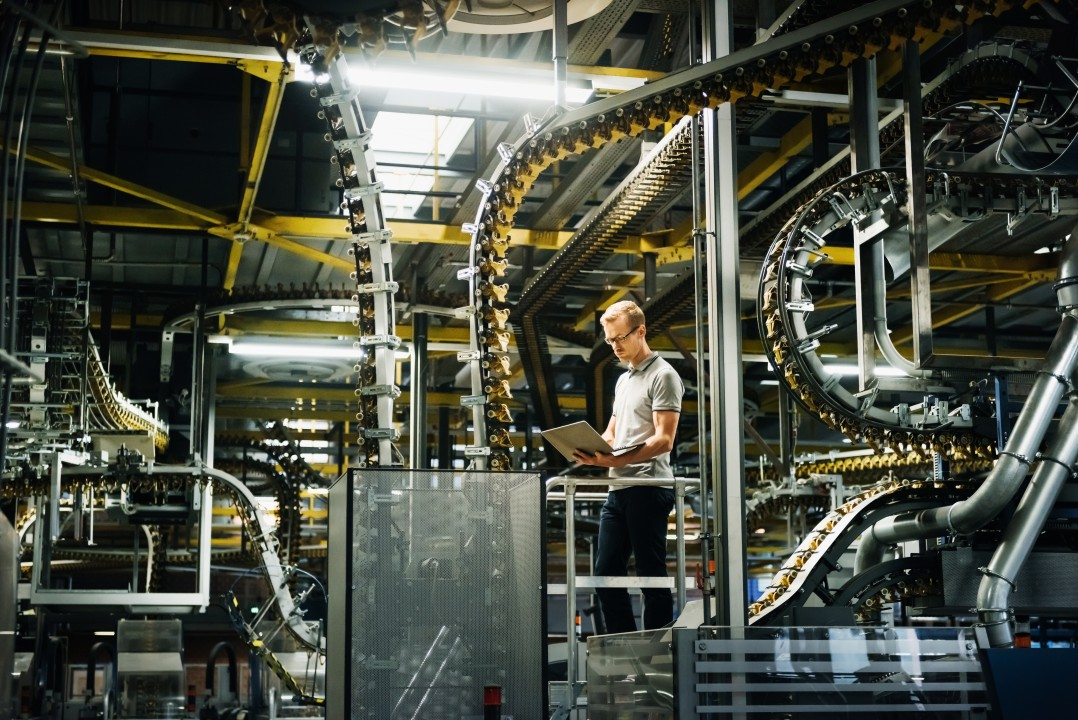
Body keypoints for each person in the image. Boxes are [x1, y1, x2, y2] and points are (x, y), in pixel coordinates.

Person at [573, 300, 684, 633]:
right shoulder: (624, 381)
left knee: (650, 576)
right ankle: (622, 645)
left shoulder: (663, 375)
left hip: (649, 489)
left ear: (641, 331)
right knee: (605, 571)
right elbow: (612, 432)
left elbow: (664, 440)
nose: (615, 346)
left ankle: (656, 651)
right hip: (619, 489)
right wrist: (588, 448)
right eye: (610, 341)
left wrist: (613, 460)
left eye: (620, 338)